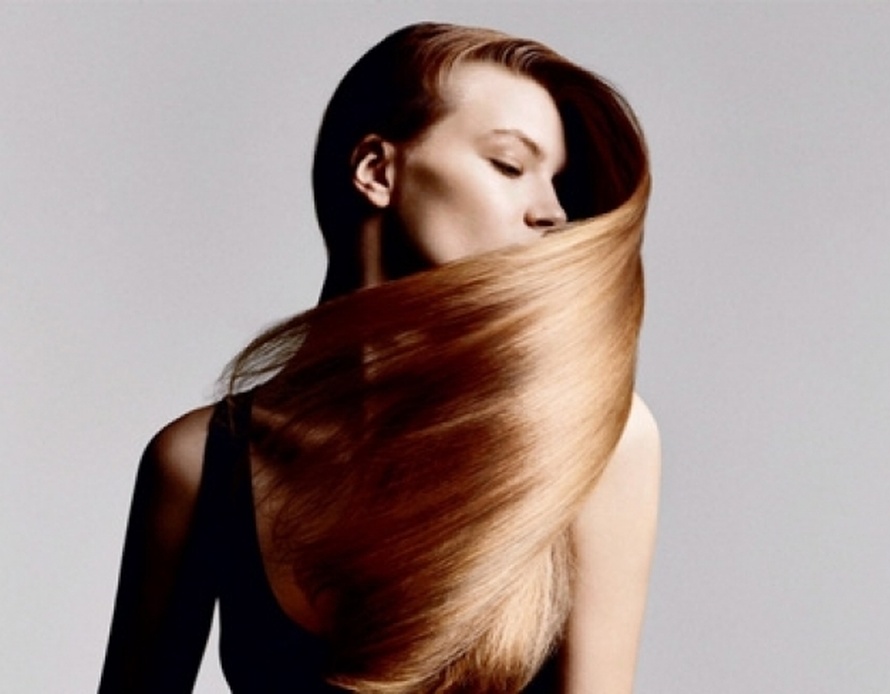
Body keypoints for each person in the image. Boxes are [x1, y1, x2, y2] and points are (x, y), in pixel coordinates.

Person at [99, 21, 660, 694]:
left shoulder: (597, 439)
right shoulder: (201, 465)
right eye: (510, 166)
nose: (553, 212)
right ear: (376, 171)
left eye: (557, 180)